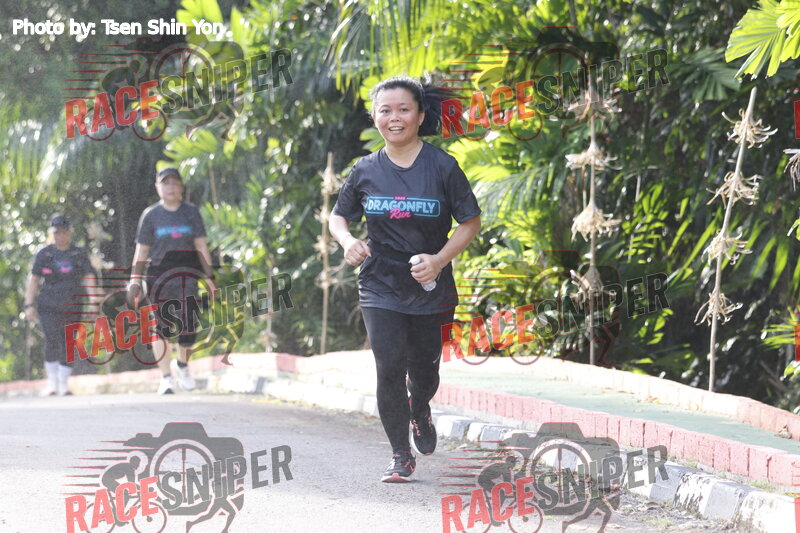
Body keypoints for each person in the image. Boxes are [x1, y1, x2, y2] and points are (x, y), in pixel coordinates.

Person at [329, 76, 482, 482]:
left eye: (403, 109)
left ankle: (420, 408)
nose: (394, 118)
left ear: (420, 114)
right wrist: (347, 241)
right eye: (385, 110)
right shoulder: (365, 170)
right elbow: (338, 216)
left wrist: (439, 260)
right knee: (389, 366)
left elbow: (470, 221)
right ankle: (400, 454)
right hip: (379, 282)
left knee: (424, 370)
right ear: (374, 116)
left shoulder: (443, 166)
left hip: (430, 284)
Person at [128, 167, 215, 395]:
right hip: (159, 276)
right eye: (165, 183)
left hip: (188, 274)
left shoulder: (191, 212)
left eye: (175, 183)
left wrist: (210, 277)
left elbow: (201, 245)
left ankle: (183, 365)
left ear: (181, 187)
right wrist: (135, 280)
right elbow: (142, 250)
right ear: (158, 187)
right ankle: (166, 378)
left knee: (189, 323)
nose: (170, 187)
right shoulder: (151, 215)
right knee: (161, 326)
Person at [24, 214, 98, 396]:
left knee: (69, 341)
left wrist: (93, 301)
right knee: (51, 339)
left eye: (64, 232)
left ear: (69, 233)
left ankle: (63, 383)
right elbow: (34, 279)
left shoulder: (78, 254)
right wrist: (29, 305)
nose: (61, 236)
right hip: (48, 305)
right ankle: (52, 382)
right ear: (52, 233)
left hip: (73, 304)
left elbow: (89, 276)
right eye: (57, 232)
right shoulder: (44, 254)